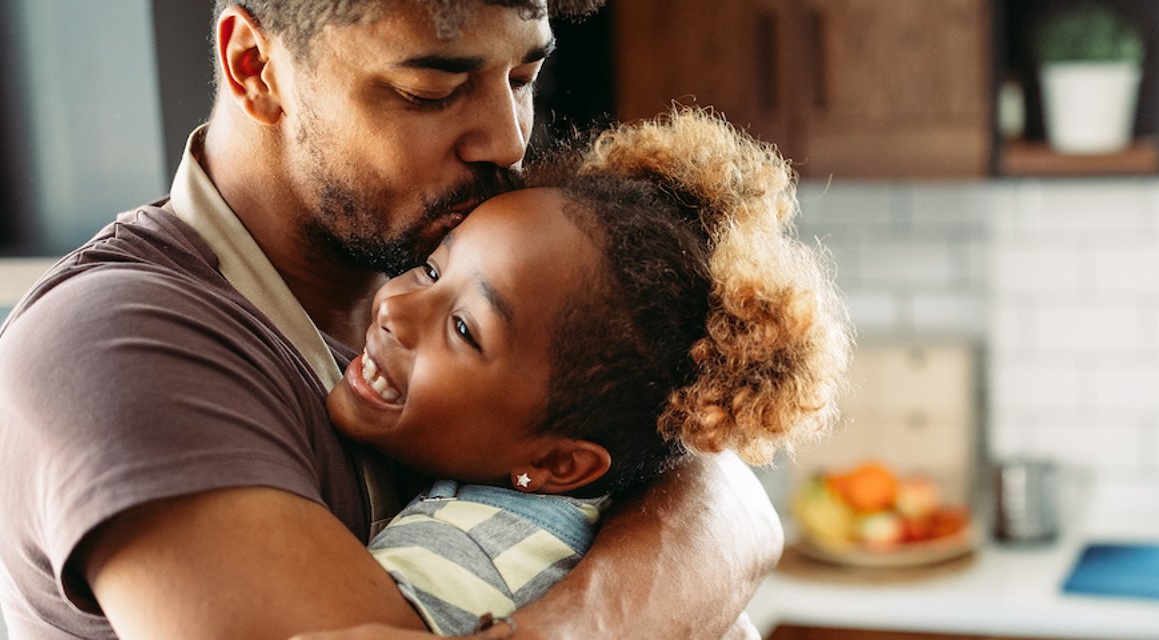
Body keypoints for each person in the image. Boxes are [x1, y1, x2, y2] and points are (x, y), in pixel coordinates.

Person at [0, 2, 784, 638]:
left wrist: (559, 630)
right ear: (255, 68)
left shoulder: (434, 271)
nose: (505, 141)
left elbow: (716, 488)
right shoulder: (121, 343)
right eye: (430, 90)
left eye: (524, 78)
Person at [326, 109, 851, 635]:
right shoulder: (592, 521)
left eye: (465, 329)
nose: (394, 309)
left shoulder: (457, 562)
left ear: (558, 462)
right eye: (433, 269)